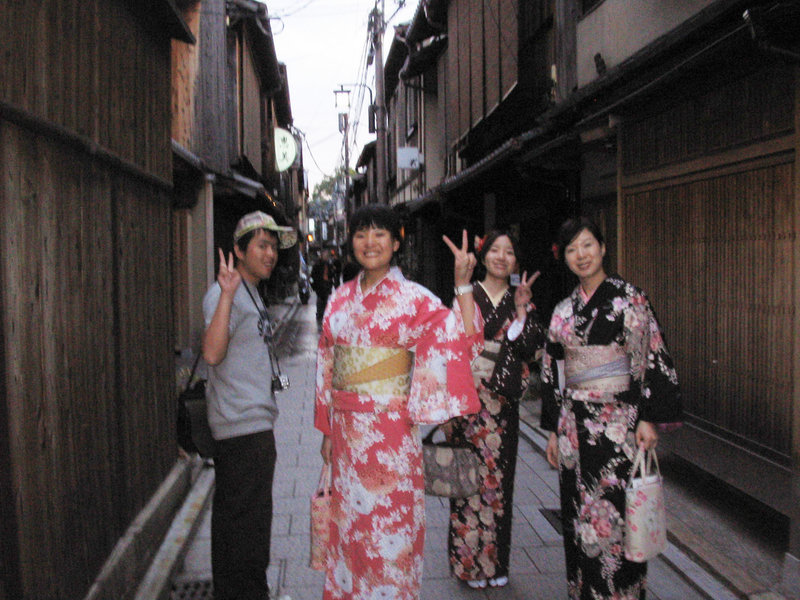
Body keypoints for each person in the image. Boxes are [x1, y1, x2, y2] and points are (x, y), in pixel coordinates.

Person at [314, 205, 483, 600]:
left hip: (391, 436)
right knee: (351, 530)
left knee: (391, 531)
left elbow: (461, 340)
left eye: (379, 234)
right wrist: (326, 430)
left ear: (395, 242)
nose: (369, 242)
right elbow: (327, 366)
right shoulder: (339, 298)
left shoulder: (415, 299)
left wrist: (462, 285)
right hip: (347, 437)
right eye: (361, 234)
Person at [540, 216, 682, 600]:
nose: (581, 255)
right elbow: (553, 370)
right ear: (564, 258)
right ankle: (583, 592)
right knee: (577, 516)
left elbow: (650, 354)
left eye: (588, 245)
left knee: (617, 515)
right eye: (572, 249)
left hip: (618, 427)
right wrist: (553, 429)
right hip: (573, 429)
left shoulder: (630, 299)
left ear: (603, 248)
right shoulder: (563, 309)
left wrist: (648, 417)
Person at [202, 211, 296, 600]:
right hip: (241, 428)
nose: (270, 253)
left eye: (273, 246)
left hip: (251, 425)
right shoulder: (226, 293)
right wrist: (226, 295)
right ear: (239, 251)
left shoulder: (252, 291)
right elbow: (211, 353)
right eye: (261, 245)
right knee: (245, 528)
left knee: (244, 525)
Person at [447, 230, 545, 589]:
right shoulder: (467, 293)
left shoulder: (521, 299)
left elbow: (534, 352)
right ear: (483, 255)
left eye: (509, 252)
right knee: (466, 483)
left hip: (502, 407)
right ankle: (468, 564)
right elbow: (451, 347)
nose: (502, 257)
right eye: (495, 250)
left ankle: (496, 562)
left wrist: (521, 311)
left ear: (516, 261)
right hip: (468, 401)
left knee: (499, 485)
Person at [311, 249, 338, 326]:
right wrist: (315, 283)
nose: (326, 257)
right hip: (320, 284)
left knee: (325, 299)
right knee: (320, 299)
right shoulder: (317, 265)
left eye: (327, 256)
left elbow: (332, 274)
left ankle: (323, 313)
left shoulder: (329, 265)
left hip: (327, 284)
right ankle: (319, 313)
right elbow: (313, 274)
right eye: (325, 255)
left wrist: (332, 274)